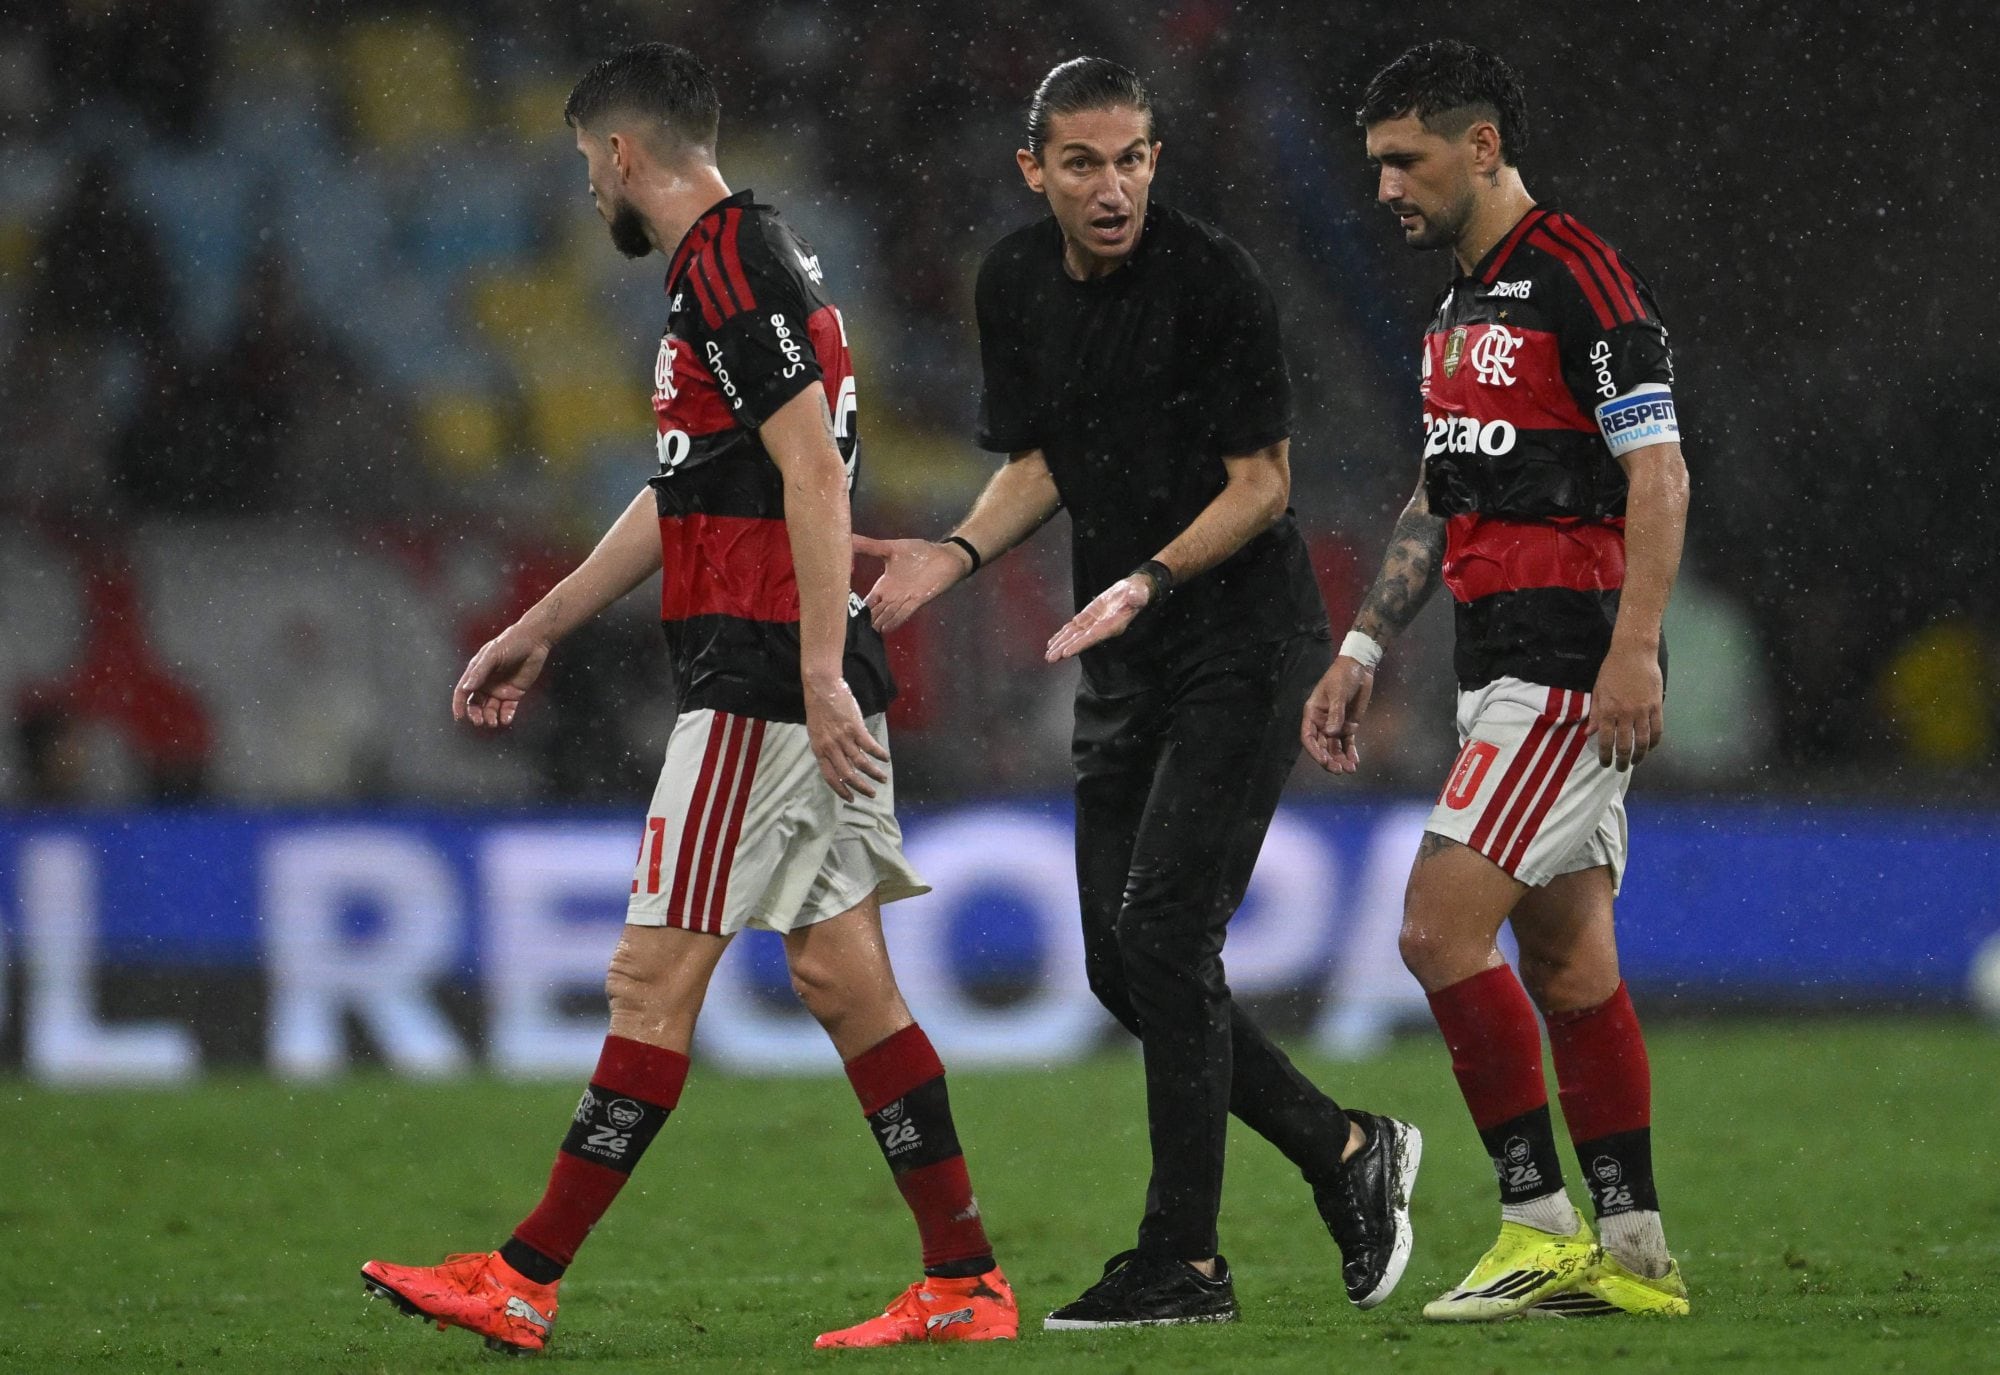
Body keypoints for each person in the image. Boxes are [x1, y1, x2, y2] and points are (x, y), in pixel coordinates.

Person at [359, 43, 1016, 1354]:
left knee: (648, 976)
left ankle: (525, 1271)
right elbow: (689, 486)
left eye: (580, 163)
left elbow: (814, 479)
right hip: (785, 669)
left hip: (762, 679)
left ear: (617, 153)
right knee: (842, 977)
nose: (584, 186)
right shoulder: (747, 261)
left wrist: (820, 664)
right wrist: (541, 621)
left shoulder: (725, 266)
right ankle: (963, 1276)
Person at [859, 56, 1419, 1330]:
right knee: (1123, 966)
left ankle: (1187, 1263)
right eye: (1081, 164)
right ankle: (1344, 1151)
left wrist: (1150, 580)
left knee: (1165, 937)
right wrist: (951, 554)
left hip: (1238, 642)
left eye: (1130, 160)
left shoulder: (1212, 278)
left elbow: (1264, 481)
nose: (1110, 188)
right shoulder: (1011, 281)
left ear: (1155, 161)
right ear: (1032, 172)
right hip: (1122, 650)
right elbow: (1041, 458)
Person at [1302, 40, 1692, 1321]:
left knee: (1431, 929)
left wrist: (1632, 647)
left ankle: (1532, 1224)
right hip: (1492, 663)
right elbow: (1440, 489)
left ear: (1479, 147)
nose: (1384, 190)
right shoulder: (1455, 310)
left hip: (1564, 663)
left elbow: (1658, 472)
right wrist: (1362, 646)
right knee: (1570, 963)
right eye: (1373, 166)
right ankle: (1633, 1258)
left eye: (1403, 160)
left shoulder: (1579, 277)